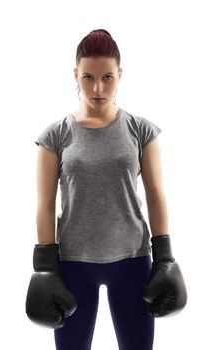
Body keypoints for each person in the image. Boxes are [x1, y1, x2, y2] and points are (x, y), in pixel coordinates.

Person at [25, 29, 187, 350]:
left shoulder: (141, 130)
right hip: (73, 263)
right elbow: (45, 204)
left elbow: (156, 195)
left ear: (120, 75)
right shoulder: (54, 136)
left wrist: (165, 258)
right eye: (88, 77)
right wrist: (45, 268)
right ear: (76, 75)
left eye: (107, 77)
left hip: (133, 260)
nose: (98, 88)